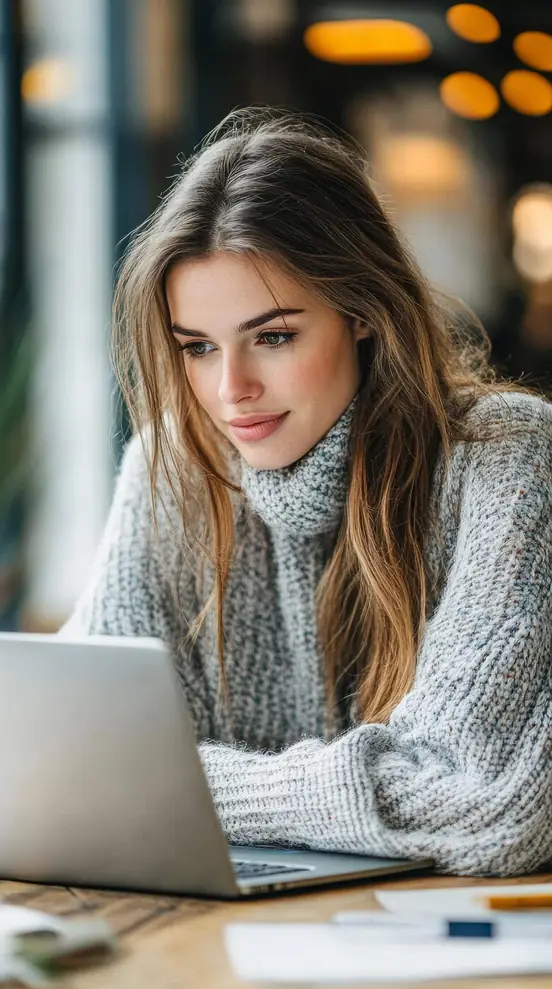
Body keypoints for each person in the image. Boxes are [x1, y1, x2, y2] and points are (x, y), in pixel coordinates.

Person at [60, 107, 552, 877]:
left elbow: (485, 802)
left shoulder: (505, 458)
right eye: (197, 348)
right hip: (208, 933)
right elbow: (70, 759)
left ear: (362, 312)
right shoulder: (173, 465)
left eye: (275, 336)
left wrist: (177, 782)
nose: (232, 391)